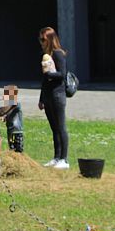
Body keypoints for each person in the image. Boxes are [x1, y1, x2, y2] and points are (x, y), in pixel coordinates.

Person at [37, 27, 69, 169]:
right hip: (49, 96)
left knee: (61, 127)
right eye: (40, 39)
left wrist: (49, 73)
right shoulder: (46, 55)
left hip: (58, 95)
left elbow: (62, 74)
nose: (41, 42)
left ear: (50, 39)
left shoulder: (58, 54)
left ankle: (64, 159)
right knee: (54, 128)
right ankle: (56, 157)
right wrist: (41, 98)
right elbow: (44, 80)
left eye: (43, 39)